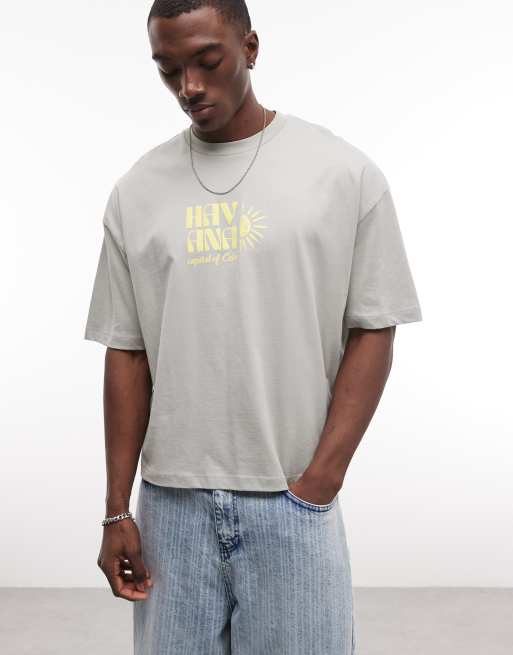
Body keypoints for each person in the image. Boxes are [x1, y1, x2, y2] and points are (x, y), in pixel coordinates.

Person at [84, 1, 423, 652]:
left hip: (289, 501)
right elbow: (126, 352)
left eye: (207, 61)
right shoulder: (137, 190)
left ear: (250, 47)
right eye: (168, 69)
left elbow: (374, 327)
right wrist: (116, 508)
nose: (189, 86)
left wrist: (321, 479)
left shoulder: (342, 174)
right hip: (171, 508)